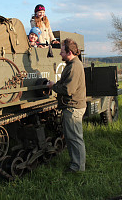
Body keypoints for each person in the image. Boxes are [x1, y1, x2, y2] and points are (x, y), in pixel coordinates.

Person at [47, 38, 86, 172]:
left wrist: (53, 86)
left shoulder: (74, 66)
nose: (60, 54)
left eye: (62, 51)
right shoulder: (73, 64)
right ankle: (76, 164)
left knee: (75, 138)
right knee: (72, 137)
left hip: (73, 107)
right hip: (72, 106)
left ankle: (78, 167)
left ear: (69, 52)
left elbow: (68, 90)